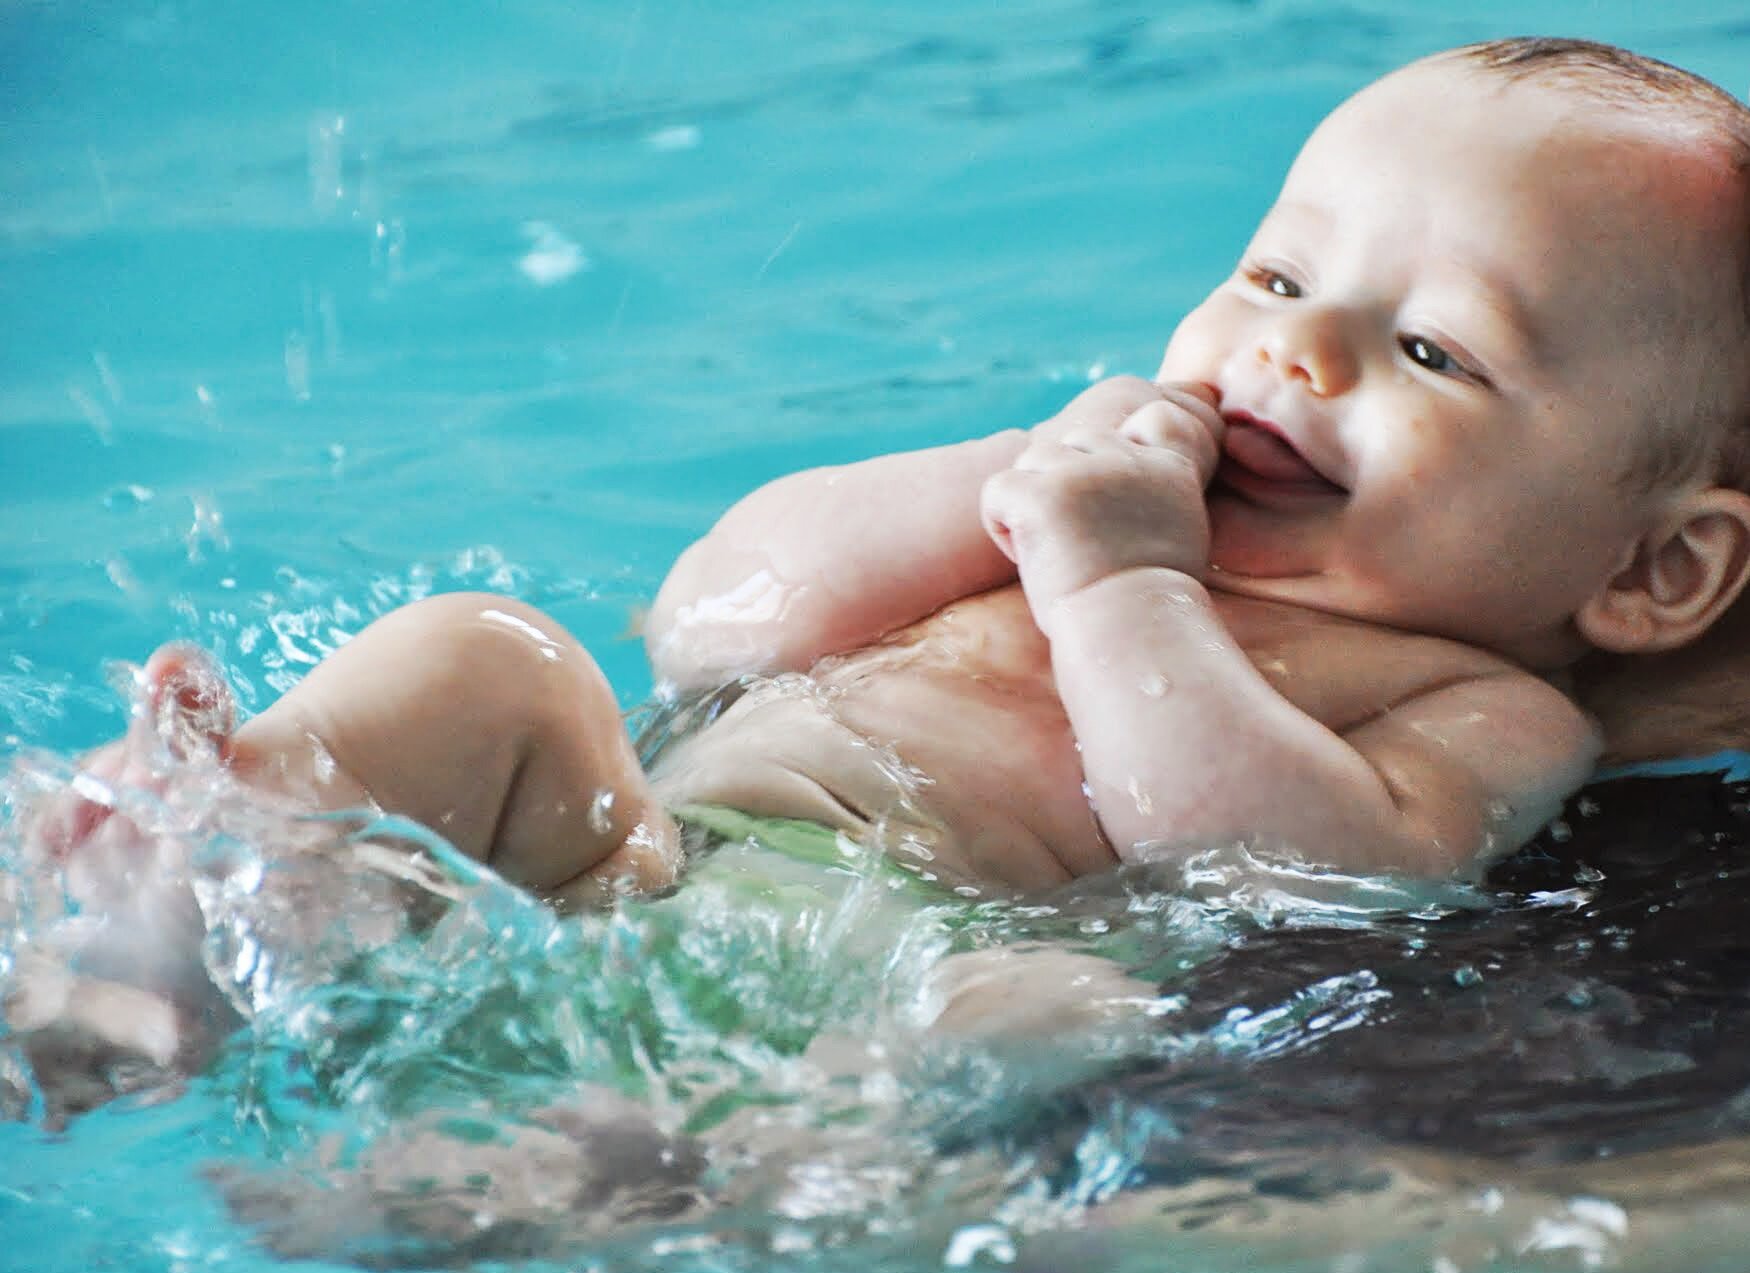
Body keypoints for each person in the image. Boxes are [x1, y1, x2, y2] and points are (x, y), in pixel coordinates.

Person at [14, 37, 1750, 1086]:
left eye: (1437, 353)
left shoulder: (1484, 707)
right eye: (1277, 281)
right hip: (620, 861)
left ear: (1651, 575)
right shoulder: (1049, 504)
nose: (1288, 359)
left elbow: (1291, 873)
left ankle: (616, 1168)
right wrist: (1016, 486)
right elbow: (716, 618)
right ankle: (158, 929)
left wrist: (1115, 592)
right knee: (487, 658)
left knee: (1047, 1020)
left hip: (884, 965)